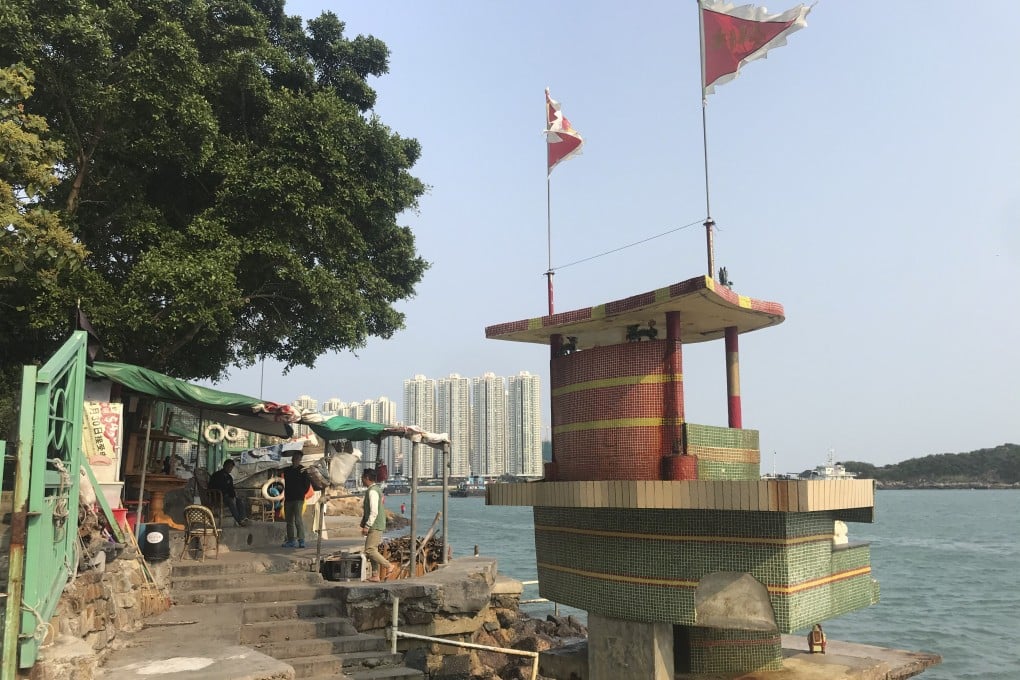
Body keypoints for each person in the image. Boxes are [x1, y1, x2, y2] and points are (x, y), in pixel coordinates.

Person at [361, 468, 396, 582]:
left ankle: (388, 565)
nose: (361, 479)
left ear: (367, 478)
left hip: (375, 525)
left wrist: (367, 525)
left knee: (369, 550)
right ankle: (375, 575)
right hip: (375, 524)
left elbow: (374, 511)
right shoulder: (375, 490)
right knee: (373, 549)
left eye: (362, 477)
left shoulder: (372, 492)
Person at [281, 452, 311, 548]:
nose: (296, 459)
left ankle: (301, 540)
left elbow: (307, 485)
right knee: (289, 520)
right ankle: (291, 540)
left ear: (300, 459)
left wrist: (301, 493)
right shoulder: (287, 471)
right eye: (295, 457)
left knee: (298, 520)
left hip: (298, 498)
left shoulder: (303, 470)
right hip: (288, 498)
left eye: (298, 458)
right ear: (292, 459)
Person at [209, 459, 248, 526]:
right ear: (224, 466)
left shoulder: (229, 477)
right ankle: (239, 520)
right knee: (231, 501)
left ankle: (243, 518)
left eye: (231, 467)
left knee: (240, 501)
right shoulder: (217, 475)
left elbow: (231, 488)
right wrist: (228, 495)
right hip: (217, 496)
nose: (229, 469)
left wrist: (233, 496)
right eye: (228, 466)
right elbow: (214, 487)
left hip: (227, 496)